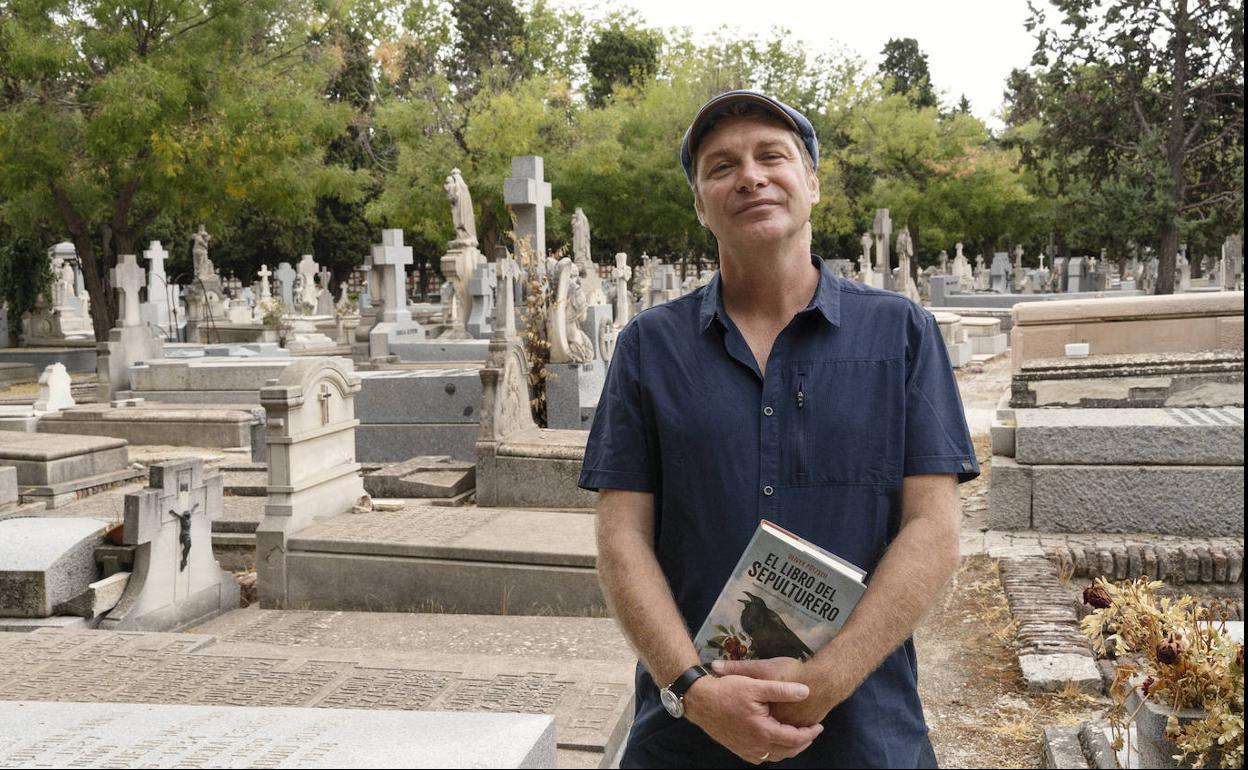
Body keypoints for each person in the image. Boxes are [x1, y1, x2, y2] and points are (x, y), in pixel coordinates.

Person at [579, 90, 979, 768]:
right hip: (687, 735)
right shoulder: (650, 346)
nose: (751, 176)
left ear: (813, 183)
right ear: (702, 204)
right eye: (721, 166)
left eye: (773, 155)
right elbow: (622, 538)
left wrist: (829, 679)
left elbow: (933, 529)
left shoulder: (900, 334)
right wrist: (693, 690)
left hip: (862, 732)